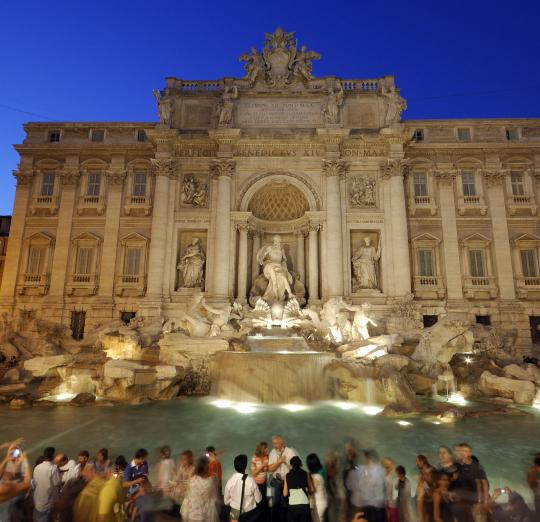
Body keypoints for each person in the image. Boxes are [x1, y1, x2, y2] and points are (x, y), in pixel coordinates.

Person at [345, 450, 386, 522]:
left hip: (367, 507)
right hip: (376, 507)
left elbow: (351, 487)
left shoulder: (357, 471)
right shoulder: (381, 470)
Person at [454, 443, 488, 522]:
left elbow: (483, 484)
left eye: (467, 451)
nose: (463, 453)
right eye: (462, 451)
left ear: (470, 453)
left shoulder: (476, 466)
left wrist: (482, 502)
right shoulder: (457, 464)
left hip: (474, 498)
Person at [268, 435, 298, 522]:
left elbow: (295, 468)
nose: (274, 445)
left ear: (282, 443)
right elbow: (270, 469)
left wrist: (286, 462)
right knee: (275, 504)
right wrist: (280, 461)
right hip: (275, 480)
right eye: (273, 443)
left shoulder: (290, 452)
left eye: (276, 443)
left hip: (287, 481)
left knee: (289, 502)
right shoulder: (272, 452)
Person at [224, 454, 262, 522]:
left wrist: (235, 502)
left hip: (234, 513)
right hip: (249, 514)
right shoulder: (251, 481)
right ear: (245, 466)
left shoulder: (230, 481)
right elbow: (258, 499)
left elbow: (226, 501)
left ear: (235, 466)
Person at [185, 456, 219, 522]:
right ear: (206, 468)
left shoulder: (192, 480)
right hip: (206, 516)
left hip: (193, 515)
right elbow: (215, 498)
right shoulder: (212, 480)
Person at [33, 446, 61, 522]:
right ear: (53, 456)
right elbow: (57, 483)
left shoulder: (37, 467)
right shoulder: (53, 468)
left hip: (37, 502)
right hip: (48, 503)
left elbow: (35, 483)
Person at [95, 456, 127, 522]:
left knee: (117, 510)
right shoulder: (121, 472)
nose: (117, 466)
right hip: (120, 493)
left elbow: (115, 479)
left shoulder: (118, 473)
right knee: (119, 510)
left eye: (118, 465)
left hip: (116, 492)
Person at [283, 456, 313, 522]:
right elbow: (311, 489)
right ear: (300, 464)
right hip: (304, 504)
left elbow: (285, 494)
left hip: (293, 505)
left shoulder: (287, 475)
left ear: (291, 464)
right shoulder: (305, 473)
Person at [307, 453, 328, 522]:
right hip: (324, 501)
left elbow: (312, 490)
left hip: (318, 504)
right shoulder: (321, 474)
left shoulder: (315, 477)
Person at [251, 442, 269, 518]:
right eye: (265, 448)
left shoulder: (267, 457)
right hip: (256, 484)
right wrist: (262, 466)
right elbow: (253, 473)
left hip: (264, 483)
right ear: (261, 449)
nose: (267, 449)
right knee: (257, 504)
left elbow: (268, 469)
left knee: (264, 504)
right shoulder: (254, 458)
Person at [416, 454, 436, 522]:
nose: (416, 463)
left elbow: (433, 483)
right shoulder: (422, 471)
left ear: (422, 461)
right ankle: (421, 517)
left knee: (421, 485)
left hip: (431, 492)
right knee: (421, 484)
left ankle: (420, 518)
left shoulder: (430, 469)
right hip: (425, 493)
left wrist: (425, 478)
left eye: (417, 461)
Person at [382, 458, 399, 522]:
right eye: (385, 465)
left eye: (389, 465)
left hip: (392, 506)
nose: (386, 467)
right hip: (389, 505)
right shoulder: (386, 477)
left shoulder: (393, 477)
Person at [526, 453, 540, 518]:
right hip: (536, 489)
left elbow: (530, 483)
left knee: (537, 502)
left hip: (535, 489)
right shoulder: (532, 470)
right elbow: (531, 483)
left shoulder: (532, 469)